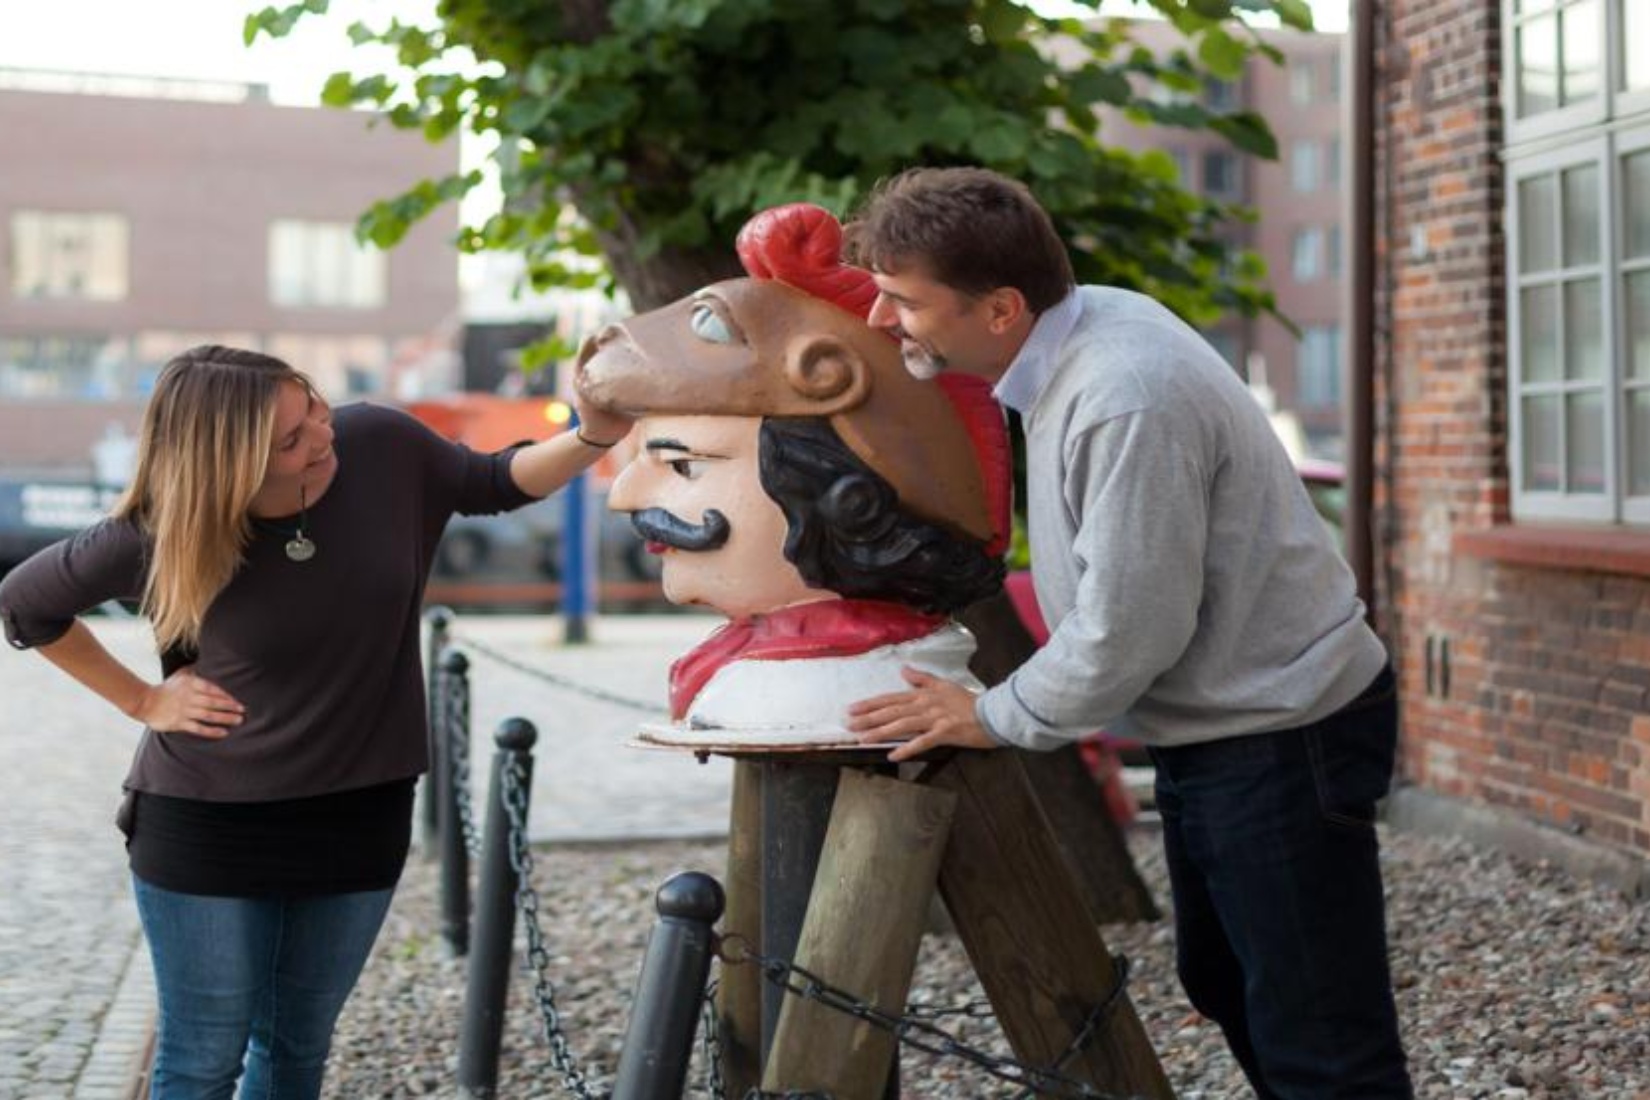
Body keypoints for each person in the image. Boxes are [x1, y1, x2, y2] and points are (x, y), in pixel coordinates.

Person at [844, 167, 1413, 1099]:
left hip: (1281, 729)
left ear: (999, 309)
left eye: (903, 300)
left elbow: (1128, 630)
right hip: (1232, 723)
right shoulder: (1081, 324)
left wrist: (990, 715)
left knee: (1321, 1037)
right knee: (1228, 984)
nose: (880, 319)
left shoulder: (1122, 392)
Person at [0, 345, 631, 1099]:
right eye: (291, 441)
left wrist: (594, 434)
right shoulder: (167, 527)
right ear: (227, 466)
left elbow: (493, 481)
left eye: (315, 410)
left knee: (297, 1049)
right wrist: (144, 700)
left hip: (360, 810)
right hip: (208, 823)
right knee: (204, 1057)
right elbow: (27, 602)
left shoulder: (382, 445)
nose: (324, 437)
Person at [575, 202, 1010, 745]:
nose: (623, 495)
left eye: (683, 465)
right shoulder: (753, 671)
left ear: (848, 498)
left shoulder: (827, 689)